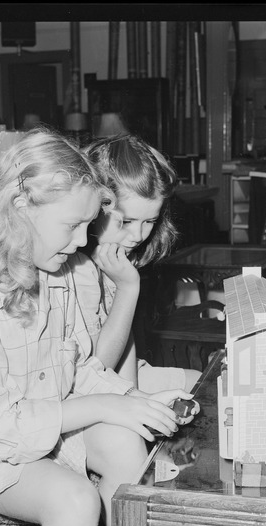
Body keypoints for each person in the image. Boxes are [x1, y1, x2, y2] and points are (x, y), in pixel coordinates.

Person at [0, 127, 194, 526]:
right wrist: (104, 403)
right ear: (19, 209)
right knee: (75, 501)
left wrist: (133, 401)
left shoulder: (55, 272)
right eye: (74, 225)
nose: (85, 241)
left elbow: (81, 365)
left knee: (128, 446)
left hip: (51, 425)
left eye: (90, 225)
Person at [70, 134, 201, 394]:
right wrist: (128, 289)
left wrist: (135, 394)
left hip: (118, 373)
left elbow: (125, 337)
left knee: (202, 381)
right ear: (95, 206)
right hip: (85, 386)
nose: (139, 235)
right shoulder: (75, 268)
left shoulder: (114, 254)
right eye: (127, 221)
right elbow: (98, 371)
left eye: (150, 221)